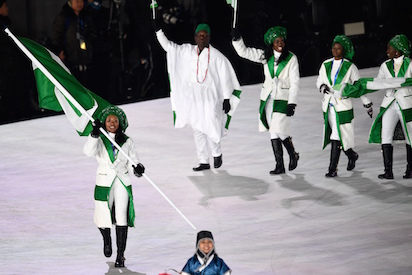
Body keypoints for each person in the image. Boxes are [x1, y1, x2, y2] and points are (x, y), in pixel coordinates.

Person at [155, 22, 241, 171]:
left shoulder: (217, 56)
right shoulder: (187, 51)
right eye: (200, 35)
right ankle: (203, 161)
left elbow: (225, 76)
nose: (202, 38)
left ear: (209, 38)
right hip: (193, 97)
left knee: (211, 125)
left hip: (211, 97)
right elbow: (169, 47)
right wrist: (159, 32)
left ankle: (216, 153)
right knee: (197, 128)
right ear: (195, 37)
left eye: (205, 35)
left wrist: (227, 97)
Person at [231, 26, 300, 175]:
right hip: (268, 98)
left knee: (278, 128)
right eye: (277, 41)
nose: (280, 43)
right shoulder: (266, 56)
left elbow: (295, 82)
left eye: (282, 40)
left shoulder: (291, 58)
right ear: (272, 44)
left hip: (283, 97)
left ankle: (293, 154)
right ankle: (279, 165)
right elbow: (245, 52)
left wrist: (292, 102)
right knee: (272, 130)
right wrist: (237, 40)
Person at [83, 105, 145, 268]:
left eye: (115, 120)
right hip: (104, 180)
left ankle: (120, 255)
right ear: (104, 122)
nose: (112, 123)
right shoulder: (100, 137)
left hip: (122, 181)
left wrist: (138, 168)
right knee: (103, 213)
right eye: (109, 120)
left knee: (121, 216)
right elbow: (88, 152)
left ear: (120, 123)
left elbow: (134, 160)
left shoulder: (127, 140)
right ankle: (106, 239)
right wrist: (94, 134)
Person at [316, 35, 373, 177]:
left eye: (338, 48)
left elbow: (359, 87)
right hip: (329, 106)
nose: (335, 50)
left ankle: (332, 169)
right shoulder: (326, 64)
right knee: (339, 137)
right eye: (334, 47)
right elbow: (319, 80)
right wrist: (322, 86)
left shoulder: (350, 67)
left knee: (337, 136)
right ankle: (351, 155)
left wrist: (366, 103)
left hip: (343, 106)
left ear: (344, 50)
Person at [369, 34, 412, 179]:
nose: (387, 50)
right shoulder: (384, 65)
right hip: (389, 103)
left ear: (398, 51)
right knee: (385, 135)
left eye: (390, 48)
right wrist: (362, 87)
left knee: (410, 136)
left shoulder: (410, 64)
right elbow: (378, 82)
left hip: (406, 104)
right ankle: (388, 171)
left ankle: (410, 169)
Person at [51, 0, 94, 89]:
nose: (79, 3)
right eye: (76, 1)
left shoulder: (86, 16)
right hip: (70, 59)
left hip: (86, 60)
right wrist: (59, 51)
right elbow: (56, 37)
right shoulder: (64, 17)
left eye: (81, 1)